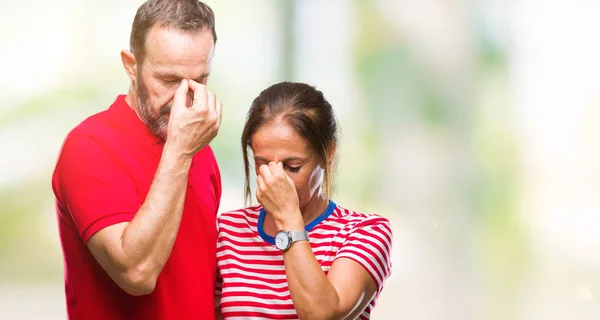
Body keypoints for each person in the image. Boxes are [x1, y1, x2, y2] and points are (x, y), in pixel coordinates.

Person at [51, 0, 223, 319]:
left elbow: (196, 283)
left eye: (199, 81)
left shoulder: (201, 150)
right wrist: (181, 150)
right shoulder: (89, 146)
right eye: (169, 80)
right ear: (131, 65)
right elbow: (137, 273)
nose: (185, 99)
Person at [215, 82, 393, 319]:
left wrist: (288, 218)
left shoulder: (365, 232)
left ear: (328, 154)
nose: (278, 179)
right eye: (263, 164)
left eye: (293, 167)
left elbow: (323, 315)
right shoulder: (228, 230)